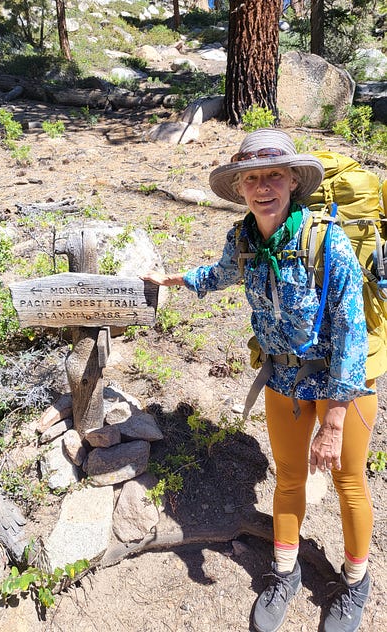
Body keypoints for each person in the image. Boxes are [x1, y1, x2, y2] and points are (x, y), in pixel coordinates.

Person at [142, 128, 377, 632]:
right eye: (252, 178)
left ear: (293, 181)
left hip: (344, 385)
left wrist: (333, 422)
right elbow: (222, 273)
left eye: (274, 175)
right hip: (283, 382)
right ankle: (285, 572)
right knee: (289, 477)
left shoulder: (326, 240)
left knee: (348, 482)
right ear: (241, 187)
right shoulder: (244, 238)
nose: (263, 186)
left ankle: (356, 581)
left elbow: (352, 333)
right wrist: (178, 279)